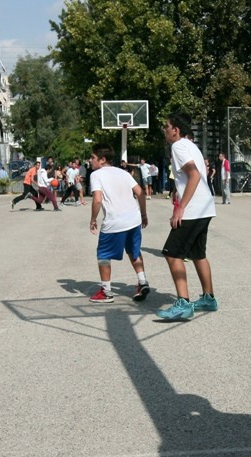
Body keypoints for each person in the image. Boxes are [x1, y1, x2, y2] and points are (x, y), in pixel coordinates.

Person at [155, 113, 219, 321]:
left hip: (193, 209)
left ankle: (183, 303)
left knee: (172, 253)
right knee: (198, 254)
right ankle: (208, 299)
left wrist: (180, 207)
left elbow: (194, 175)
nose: (165, 130)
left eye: (167, 127)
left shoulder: (178, 147)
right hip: (205, 207)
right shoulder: (191, 145)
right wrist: (177, 190)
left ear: (176, 130)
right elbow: (191, 175)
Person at [87, 143, 150, 303]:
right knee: (133, 251)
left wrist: (93, 219)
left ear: (102, 160)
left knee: (103, 255)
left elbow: (97, 200)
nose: (90, 160)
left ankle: (106, 292)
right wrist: (143, 214)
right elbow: (140, 193)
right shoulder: (123, 173)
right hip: (134, 219)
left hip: (115, 221)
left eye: (92, 157)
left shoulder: (96, 175)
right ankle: (142, 282)